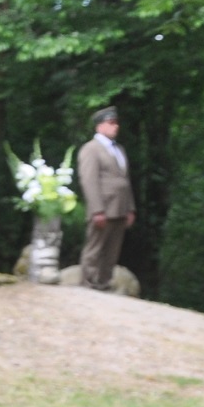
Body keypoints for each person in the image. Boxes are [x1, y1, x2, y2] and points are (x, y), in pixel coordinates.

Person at [77, 106, 135, 291]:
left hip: (120, 208)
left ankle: (104, 282)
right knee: (95, 248)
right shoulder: (91, 149)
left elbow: (125, 181)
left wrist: (130, 208)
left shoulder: (119, 149)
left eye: (116, 123)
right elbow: (89, 181)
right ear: (99, 126)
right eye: (111, 123)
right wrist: (97, 210)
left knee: (112, 250)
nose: (115, 127)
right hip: (103, 207)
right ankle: (88, 283)